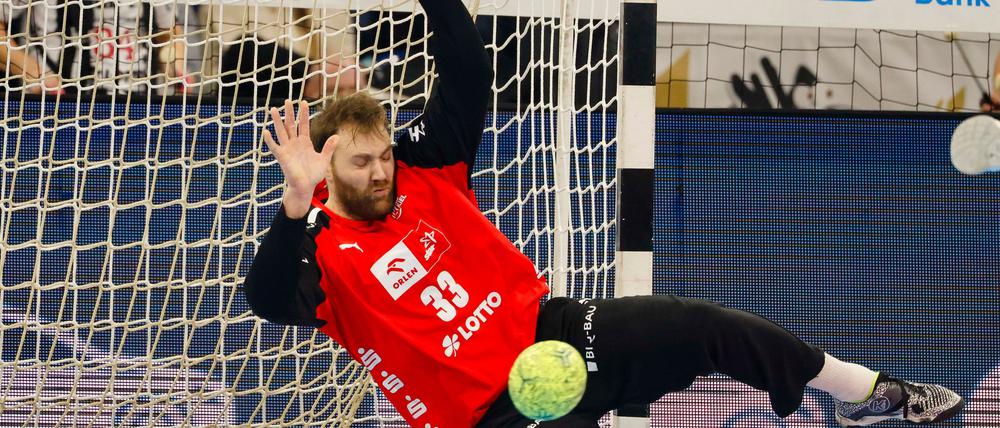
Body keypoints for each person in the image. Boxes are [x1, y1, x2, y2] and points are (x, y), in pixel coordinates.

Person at [242, 0, 965, 426]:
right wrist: (296, 203)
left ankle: (870, 394)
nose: (378, 172)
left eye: (382, 157)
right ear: (327, 166)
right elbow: (269, 301)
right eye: (359, 164)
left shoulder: (426, 169)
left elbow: (464, 68)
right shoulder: (318, 247)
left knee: (693, 324)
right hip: (484, 416)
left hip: (554, 335)